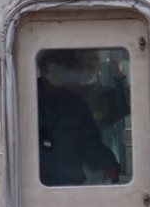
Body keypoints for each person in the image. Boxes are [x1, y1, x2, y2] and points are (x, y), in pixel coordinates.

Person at [37, 51, 120, 187]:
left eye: (66, 63)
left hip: (70, 187)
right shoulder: (23, 98)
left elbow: (90, 143)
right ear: (43, 66)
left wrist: (109, 165)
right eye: (57, 62)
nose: (62, 67)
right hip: (30, 189)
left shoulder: (74, 103)